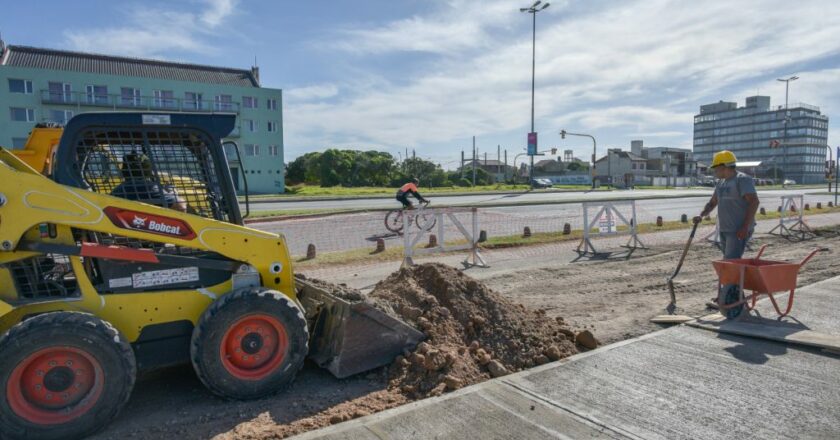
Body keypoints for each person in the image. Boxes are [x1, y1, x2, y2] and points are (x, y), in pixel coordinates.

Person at [693, 150, 760, 316]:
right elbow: (713, 202)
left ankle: (730, 298)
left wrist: (745, 227)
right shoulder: (721, 183)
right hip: (724, 229)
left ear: (725, 166)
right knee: (730, 263)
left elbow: (754, 202)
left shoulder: (742, 180)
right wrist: (701, 215)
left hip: (738, 230)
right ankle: (733, 296)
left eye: (716, 167)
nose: (714, 171)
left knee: (729, 263)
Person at [111, 152, 188, 212]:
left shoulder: (117, 191)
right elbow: (181, 207)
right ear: (148, 170)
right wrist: (172, 192)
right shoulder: (150, 188)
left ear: (124, 171)